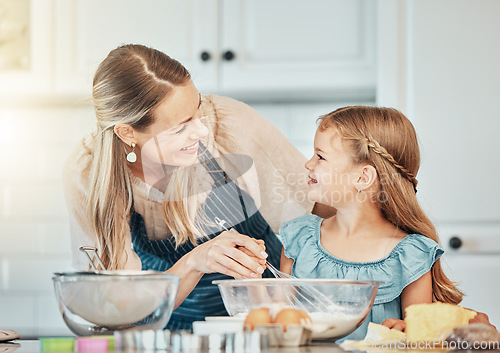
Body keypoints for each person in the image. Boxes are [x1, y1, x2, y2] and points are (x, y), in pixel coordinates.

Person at [62, 44, 334, 331]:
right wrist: (196, 260)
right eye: (181, 127)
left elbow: (320, 213)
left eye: (198, 108)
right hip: (166, 324)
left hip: (268, 317)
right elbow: (121, 307)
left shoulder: (229, 125)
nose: (202, 131)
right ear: (128, 133)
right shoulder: (88, 174)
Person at [279, 106, 473, 341]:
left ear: (363, 178)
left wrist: (408, 333)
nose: (308, 164)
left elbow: (421, 341)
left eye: (320, 156)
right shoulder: (299, 239)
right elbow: (280, 326)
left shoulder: (411, 256)